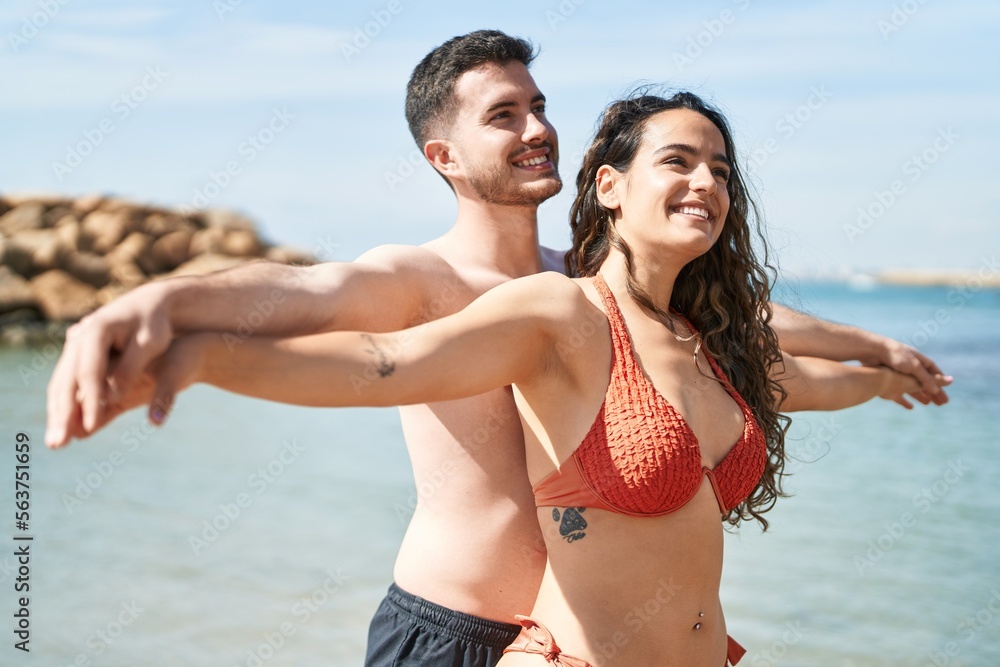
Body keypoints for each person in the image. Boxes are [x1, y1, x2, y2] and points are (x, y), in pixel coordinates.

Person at [45, 31, 949, 667]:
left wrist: (874, 348)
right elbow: (309, 303)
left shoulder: (589, 281)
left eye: (541, 107)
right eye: (504, 115)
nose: (537, 129)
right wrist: (166, 303)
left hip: (578, 626)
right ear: (443, 154)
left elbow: (747, 326)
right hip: (452, 629)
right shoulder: (421, 277)